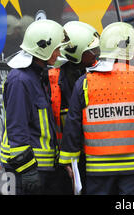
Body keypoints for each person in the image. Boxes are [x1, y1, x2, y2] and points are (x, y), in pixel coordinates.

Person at [59, 22, 134, 195]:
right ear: (128, 48)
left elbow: (72, 127)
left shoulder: (83, 83)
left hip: (98, 169)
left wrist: (70, 161)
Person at [0, 19, 68, 195]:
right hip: (25, 169)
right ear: (43, 48)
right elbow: (17, 129)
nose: (59, 52)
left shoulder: (35, 76)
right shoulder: (20, 80)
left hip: (40, 168)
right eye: (57, 47)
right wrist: (28, 170)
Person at [48, 21, 100, 194]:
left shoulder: (87, 73)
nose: (95, 55)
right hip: (59, 160)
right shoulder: (53, 80)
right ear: (74, 54)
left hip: (82, 156)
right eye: (90, 51)